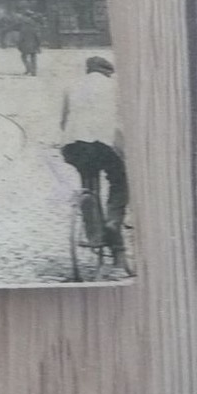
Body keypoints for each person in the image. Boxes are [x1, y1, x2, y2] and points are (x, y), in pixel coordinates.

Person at [59, 56, 131, 274]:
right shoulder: (116, 87)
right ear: (108, 72)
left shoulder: (72, 85)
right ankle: (113, 225)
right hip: (104, 143)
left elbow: (63, 121)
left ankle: (95, 235)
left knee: (89, 185)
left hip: (75, 145)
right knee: (121, 182)